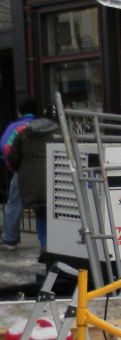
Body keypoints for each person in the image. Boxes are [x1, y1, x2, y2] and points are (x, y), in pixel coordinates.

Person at [8, 105, 59, 252]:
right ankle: (58, 247)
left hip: (31, 182)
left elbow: (13, 157)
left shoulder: (24, 134)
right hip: (56, 180)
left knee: (41, 213)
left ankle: (45, 245)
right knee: (59, 214)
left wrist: (23, 171)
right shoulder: (59, 133)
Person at [0, 97, 37, 249]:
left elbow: (5, 148)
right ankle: (48, 244)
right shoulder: (46, 125)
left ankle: (10, 238)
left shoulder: (16, 127)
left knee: (15, 203)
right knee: (46, 207)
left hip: (23, 170)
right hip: (47, 170)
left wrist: (12, 166)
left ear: (20, 112)